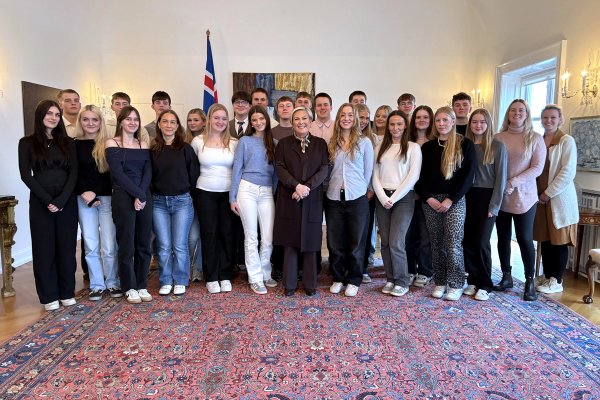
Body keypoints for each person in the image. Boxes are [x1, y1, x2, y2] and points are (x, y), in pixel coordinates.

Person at [18, 100, 78, 311]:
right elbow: (26, 175)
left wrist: (61, 200)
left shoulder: (68, 142)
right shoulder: (26, 143)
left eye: (57, 114)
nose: (53, 118)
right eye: (49, 114)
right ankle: (49, 296)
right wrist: (48, 200)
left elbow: (74, 173)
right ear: (40, 116)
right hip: (40, 202)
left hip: (66, 201)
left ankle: (67, 292)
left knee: (66, 248)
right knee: (44, 249)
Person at [415, 106, 476, 301]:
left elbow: (468, 177)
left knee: (453, 242)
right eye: (438, 120)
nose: (441, 124)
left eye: (445, 120)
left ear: (453, 121)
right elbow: (419, 178)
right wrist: (428, 198)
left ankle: (456, 283)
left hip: (454, 201)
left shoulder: (465, 144)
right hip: (431, 201)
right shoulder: (427, 148)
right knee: (436, 243)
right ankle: (440, 282)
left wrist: (451, 199)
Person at [273, 107, 329, 296]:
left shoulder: (320, 144)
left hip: (312, 197)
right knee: (290, 241)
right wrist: (296, 186)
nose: (301, 122)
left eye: (304, 118)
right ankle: (289, 284)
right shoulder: (283, 144)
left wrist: (306, 188)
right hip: (289, 196)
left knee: (311, 241)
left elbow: (324, 168)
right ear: (292, 122)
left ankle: (310, 284)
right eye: (296, 119)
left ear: (310, 121)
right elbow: (279, 168)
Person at [494, 99, 546, 301]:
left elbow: (537, 168)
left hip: (525, 197)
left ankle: (529, 281)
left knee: (524, 239)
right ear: (508, 114)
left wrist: (513, 182)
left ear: (526, 114)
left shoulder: (535, 138)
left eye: (521, 110)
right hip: (501, 196)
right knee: (503, 237)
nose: (517, 113)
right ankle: (506, 276)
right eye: (513, 110)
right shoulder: (498, 138)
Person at [105, 106, 153, 304]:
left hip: (143, 196)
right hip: (123, 196)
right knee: (126, 243)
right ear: (121, 121)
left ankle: (141, 284)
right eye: (128, 119)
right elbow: (117, 174)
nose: (133, 122)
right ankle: (129, 286)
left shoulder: (143, 144)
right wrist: (137, 194)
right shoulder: (111, 143)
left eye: (136, 119)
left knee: (144, 243)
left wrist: (141, 195)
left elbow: (148, 172)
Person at [326, 103, 374, 297]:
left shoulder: (364, 142)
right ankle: (338, 278)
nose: (346, 118)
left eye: (350, 115)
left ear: (355, 119)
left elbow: (368, 172)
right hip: (333, 197)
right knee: (335, 242)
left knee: (356, 242)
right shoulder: (332, 142)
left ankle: (354, 279)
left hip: (357, 198)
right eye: (343, 115)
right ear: (338, 118)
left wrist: (364, 192)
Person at [372, 110, 422, 297]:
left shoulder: (413, 148)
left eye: (399, 124)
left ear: (405, 126)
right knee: (385, 242)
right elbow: (374, 175)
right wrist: (383, 197)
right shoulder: (380, 147)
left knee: (396, 242)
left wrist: (393, 198)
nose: (395, 128)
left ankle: (402, 281)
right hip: (382, 197)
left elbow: (413, 176)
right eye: (392, 124)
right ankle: (391, 278)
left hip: (404, 198)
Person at [74, 105, 121, 300]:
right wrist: (85, 193)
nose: (90, 123)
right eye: (85, 119)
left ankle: (113, 282)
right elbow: (73, 173)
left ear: (101, 122)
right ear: (80, 122)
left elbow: (111, 174)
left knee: (109, 244)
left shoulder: (108, 143)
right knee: (90, 243)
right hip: (83, 199)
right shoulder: (73, 144)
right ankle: (96, 284)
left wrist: (94, 192)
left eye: (94, 119)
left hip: (106, 198)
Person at [230, 106, 278, 294]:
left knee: (268, 237)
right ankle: (255, 278)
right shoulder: (245, 141)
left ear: (267, 119)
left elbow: (276, 174)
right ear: (250, 122)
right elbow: (237, 169)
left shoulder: (273, 143)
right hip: (246, 190)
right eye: (254, 120)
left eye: (261, 118)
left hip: (267, 192)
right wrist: (232, 197)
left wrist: (273, 193)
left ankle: (266, 273)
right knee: (251, 237)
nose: (258, 122)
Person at [191, 104, 238, 294]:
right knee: (209, 234)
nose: (220, 121)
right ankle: (211, 276)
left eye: (224, 118)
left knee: (227, 234)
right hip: (205, 193)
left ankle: (225, 275)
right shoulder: (197, 142)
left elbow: (238, 170)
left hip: (228, 194)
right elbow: (192, 169)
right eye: (216, 117)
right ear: (209, 119)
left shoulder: (234, 142)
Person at [151, 110, 199, 296]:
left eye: (173, 122)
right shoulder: (153, 149)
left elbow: (193, 175)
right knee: (163, 245)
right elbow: (149, 175)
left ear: (178, 126)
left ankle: (180, 279)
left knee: (179, 245)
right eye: (165, 121)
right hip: (158, 203)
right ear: (159, 124)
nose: (169, 125)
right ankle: (165, 280)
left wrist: (187, 194)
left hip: (182, 201)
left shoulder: (186, 149)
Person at [533, 104, 578, 294]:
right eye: (545, 117)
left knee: (558, 240)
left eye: (553, 117)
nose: (548, 121)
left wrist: (547, 194)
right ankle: (547, 275)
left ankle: (557, 279)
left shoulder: (566, 141)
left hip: (557, 199)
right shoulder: (538, 140)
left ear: (560, 119)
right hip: (539, 200)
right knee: (545, 239)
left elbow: (567, 172)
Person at [463, 109, 507, 301]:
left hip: (487, 197)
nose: (478, 125)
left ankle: (485, 284)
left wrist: (494, 206)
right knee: (468, 241)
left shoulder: (497, 146)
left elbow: (501, 179)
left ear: (488, 124)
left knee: (481, 242)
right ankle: (472, 280)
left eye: (482, 122)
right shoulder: (465, 145)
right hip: (466, 196)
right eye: (474, 122)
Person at [406, 105, 434, 287]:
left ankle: (425, 271)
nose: (421, 120)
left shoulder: (435, 142)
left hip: (428, 196)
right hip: (408, 195)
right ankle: (410, 270)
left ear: (431, 120)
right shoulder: (407, 142)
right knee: (409, 235)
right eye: (418, 117)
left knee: (425, 236)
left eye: (425, 117)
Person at [355, 103, 379, 282]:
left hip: (368, 194)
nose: (363, 121)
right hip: (352, 193)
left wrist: (370, 190)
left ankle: (362, 268)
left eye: (366, 118)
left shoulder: (373, 139)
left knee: (365, 231)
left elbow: (373, 168)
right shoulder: (345, 136)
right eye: (360, 117)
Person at [184, 108, 207, 282]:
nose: (192, 123)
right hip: (187, 193)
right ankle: (187, 267)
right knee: (190, 236)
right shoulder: (183, 141)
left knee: (202, 234)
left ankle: (198, 268)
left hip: (204, 192)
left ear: (204, 122)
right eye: (190, 120)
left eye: (196, 120)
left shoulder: (208, 141)